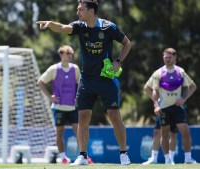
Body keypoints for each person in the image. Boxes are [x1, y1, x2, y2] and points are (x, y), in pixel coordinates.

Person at [37, 0, 131, 165]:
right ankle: (82, 156)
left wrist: (118, 61)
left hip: (106, 80)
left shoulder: (108, 27)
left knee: (114, 115)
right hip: (86, 80)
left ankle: (124, 154)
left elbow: (126, 43)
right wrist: (50, 24)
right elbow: (65, 28)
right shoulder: (80, 26)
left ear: (91, 11)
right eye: (77, 9)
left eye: (80, 9)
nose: (77, 12)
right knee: (83, 117)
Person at [151, 48, 197, 164]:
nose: (167, 59)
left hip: (177, 108)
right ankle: (168, 159)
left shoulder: (180, 71)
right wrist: (156, 105)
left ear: (175, 58)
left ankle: (188, 158)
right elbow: (154, 91)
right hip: (164, 108)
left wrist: (184, 98)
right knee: (164, 133)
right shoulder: (158, 72)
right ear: (163, 57)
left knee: (185, 130)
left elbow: (189, 86)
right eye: (165, 57)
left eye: (170, 57)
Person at [37, 45, 80, 164]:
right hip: (59, 107)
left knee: (79, 132)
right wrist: (49, 97)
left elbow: (81, 84)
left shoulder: (75, 68)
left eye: (71, 53)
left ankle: (83, 156)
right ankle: (63, 158)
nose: (69, 56)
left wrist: (78, 98)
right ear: (61, 54)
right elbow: (40, 82)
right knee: (60, 133)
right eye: (67, 53)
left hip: (73, 107)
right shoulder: (54, 69)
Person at [142, 80, 178, 165]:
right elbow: (146, 87)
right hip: (162, 108)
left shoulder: (177, 74)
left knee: (173, 133)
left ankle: (171, 159)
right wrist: (157, 101)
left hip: (175, 108)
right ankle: (154, 158)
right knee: (157, 132)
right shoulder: (159, 76)